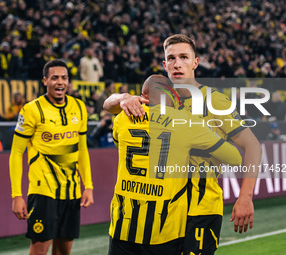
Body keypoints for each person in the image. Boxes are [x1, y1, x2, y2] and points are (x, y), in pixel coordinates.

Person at [104, 34, 262, 254]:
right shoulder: (155, 100)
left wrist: (245, 196)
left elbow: (252, 145)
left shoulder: (215, 101)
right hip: (164, 214)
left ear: (195, 62)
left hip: (201, 210)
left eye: (184, 57)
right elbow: (108, 105)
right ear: (164, 64)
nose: (177, 63)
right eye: (171, 58)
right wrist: (123, 98)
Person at [108, 75, 242, 255]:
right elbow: (234, 158)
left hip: (122, 227)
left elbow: (118, 138)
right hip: (165, 230)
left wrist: (124, 98)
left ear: (143, 96)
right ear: (174, 96)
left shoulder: (123, 118)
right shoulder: (186, 122)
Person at [9, 59, 94, 255]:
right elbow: (16, 153)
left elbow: (82, 150)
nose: (60, 82)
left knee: (64, 250)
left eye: (64, 78)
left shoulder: (79, 107)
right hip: (43, 191)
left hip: (72, 192)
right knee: (40, 249)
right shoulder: (31, 110)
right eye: (54, 78)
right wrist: (16, 195)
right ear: (45, 81)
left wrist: (88, 185)